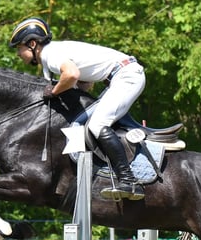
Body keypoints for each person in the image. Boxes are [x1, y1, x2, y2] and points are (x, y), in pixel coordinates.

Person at [9, 16, 145, 201]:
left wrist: (55, 91)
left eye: (19, 47)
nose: (18, 53)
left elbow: (72, 74)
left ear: (32, 44)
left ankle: (129, 181)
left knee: (97, 125)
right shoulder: (54, 53)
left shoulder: (51, 54)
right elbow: (85, 84)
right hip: (120, 76)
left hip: (127, 76)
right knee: (89, 119)